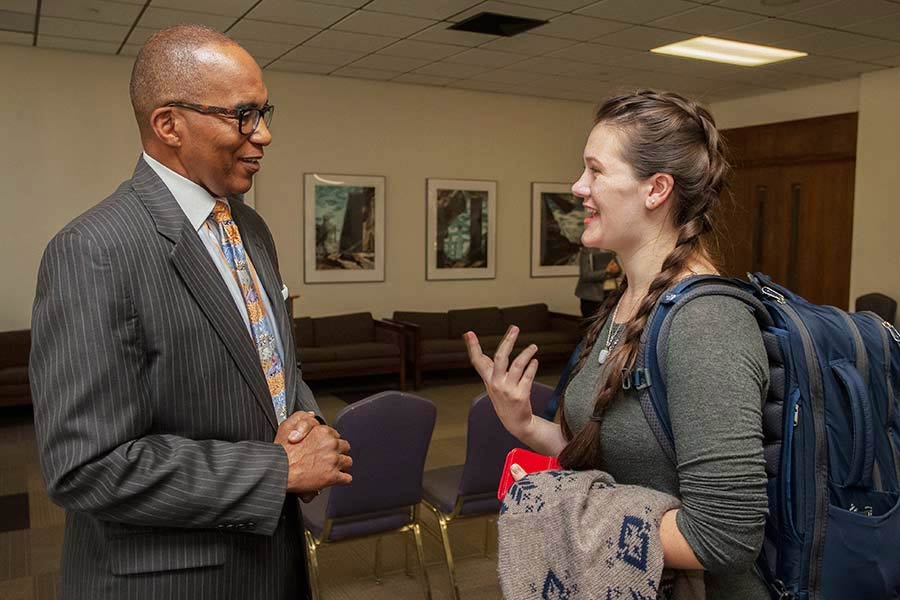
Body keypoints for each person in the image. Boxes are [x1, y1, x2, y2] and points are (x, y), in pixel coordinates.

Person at [29, 25, 352, 600]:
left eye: (264, 111)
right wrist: (278, 470)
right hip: (171, 578)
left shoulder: (250, 228)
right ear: (168, 125)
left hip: (270, 559)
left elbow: (273, 363)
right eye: (243, 115)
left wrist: (307, 425)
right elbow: (87, 465)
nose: (265, 134)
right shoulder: (94, 250)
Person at [466, 90, 769, 599]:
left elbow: (727, 538)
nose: (578, 186)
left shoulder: (707, 323)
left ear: (656, 190)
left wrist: (572, 518)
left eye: (596, 171)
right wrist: (524, 424)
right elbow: (618, 464)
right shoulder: (626, 302)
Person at [574, 247, 620, 317]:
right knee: (591, 323)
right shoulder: (587, 251)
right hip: (591, 296)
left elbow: (617, 272)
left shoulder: (610, 250)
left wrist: (616, 271)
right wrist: (606, 271)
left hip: (610, 294)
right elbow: (585, 275)